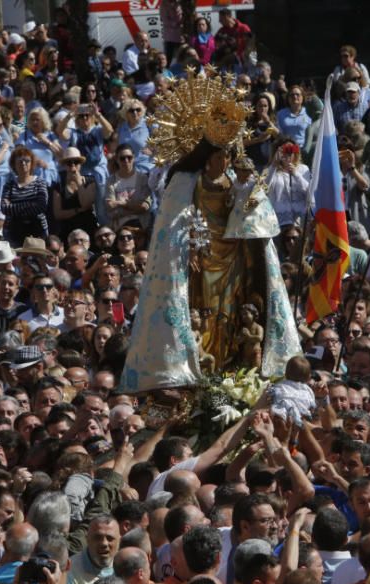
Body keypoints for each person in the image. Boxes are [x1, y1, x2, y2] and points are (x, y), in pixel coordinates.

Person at [121, 71, 298, 391]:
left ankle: (234, 367)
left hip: (234, 257)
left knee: (233, 313)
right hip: (199, 260)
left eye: (229, 152)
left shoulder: (237, 176)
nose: (226, 158)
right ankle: (201, 367)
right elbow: (172, 227)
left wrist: (248, 192)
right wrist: (187, 246)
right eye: (221, 153)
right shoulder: (184, 180)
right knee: (204, 315)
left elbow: (257, 218)